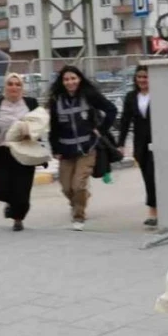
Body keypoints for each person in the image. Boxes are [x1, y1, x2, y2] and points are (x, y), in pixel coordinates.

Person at [48, 65, 117, 232]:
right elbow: (53, 127)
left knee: (78, 185)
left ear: (79, 79)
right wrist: (55, 148)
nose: (70, 82)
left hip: (87, 148)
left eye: (73, 78)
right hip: (66, 150)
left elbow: (111, 110)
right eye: (66, 79)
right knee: (66, 187)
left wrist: (100, 130)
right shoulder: (56, 100)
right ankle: (82, 199)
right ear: (62, 82)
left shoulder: (89, 95)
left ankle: (79, 215)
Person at [0, 73, 40, 232]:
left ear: (22, 88)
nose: (14, 87)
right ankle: (10, 203)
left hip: (25, 151)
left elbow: (40, 124)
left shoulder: (30, 103)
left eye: (18, 84)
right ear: (5, 87)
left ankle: (18, 218)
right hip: (3, 151)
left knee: (22, 191)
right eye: (10, 84)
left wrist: (33, 133)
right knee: (0, 190)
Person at [118, 66, 157, 227]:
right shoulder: (131, 97)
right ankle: (153, 211)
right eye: (139, 77)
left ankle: (163, 211)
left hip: (159, 140)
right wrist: (120, 143)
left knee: (159, 177)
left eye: (146, 77)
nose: (142, 80)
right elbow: (125, 121)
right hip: (140, 144)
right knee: (148, 177)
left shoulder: (160, 95)